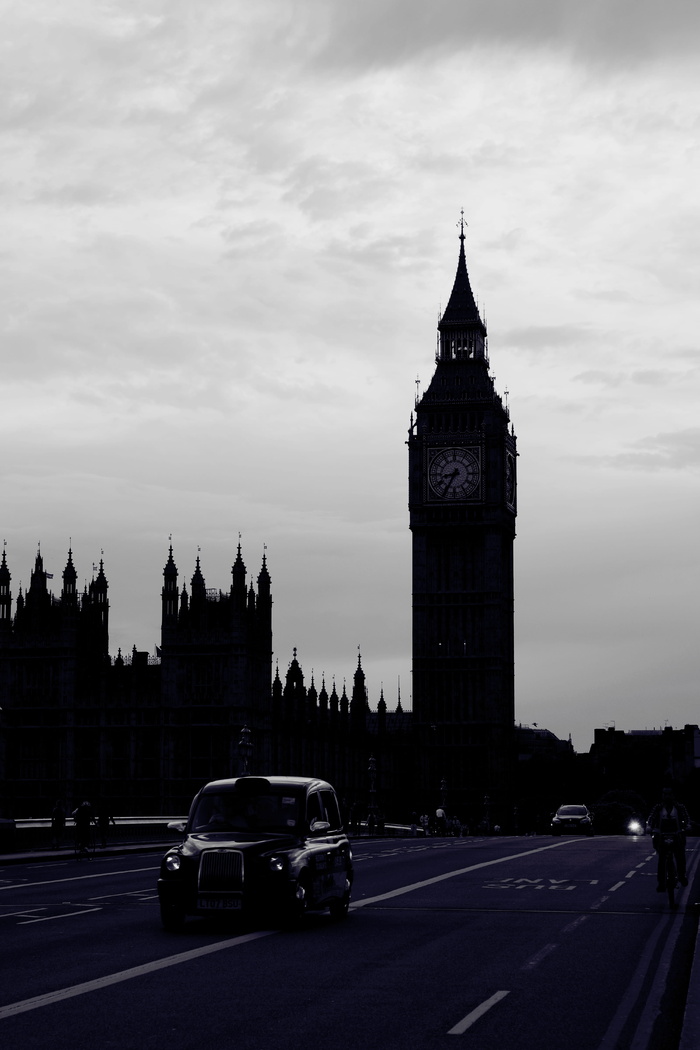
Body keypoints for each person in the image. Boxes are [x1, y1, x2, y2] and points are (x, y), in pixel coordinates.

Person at [647, 787, 689, 892]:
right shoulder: (658, 808)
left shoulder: (680, 807)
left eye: (669, 794)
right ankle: (661, 883)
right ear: (662, 796)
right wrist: (649, 827)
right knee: (662, 859)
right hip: (662, 836)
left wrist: (688, 825)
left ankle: (681, 875)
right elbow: (651, 818)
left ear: (673, 795)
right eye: (665, 794)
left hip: (677, 836)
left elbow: (686, 818)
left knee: (680, 856)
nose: (667, 796)